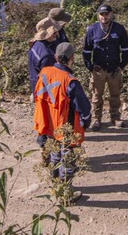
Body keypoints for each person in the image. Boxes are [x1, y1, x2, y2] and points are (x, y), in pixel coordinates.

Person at [34, 43, 92, 194]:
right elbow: (83, 106)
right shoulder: (70, 81)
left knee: (54, 155)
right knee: (68, 159)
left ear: (56, 57)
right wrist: (86, 121)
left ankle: (55, 186)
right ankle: (65, 193)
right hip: (66, 125)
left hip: (49, 124)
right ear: (71, 58)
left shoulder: (44, 72)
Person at [82, 3, 128, 130]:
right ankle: (96, 119)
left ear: (112, 14)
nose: (104, 16)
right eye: (102, 14)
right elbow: (86, 50)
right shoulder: (92, 29)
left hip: (114, 69)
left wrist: (122, 66)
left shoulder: (119, 29)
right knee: (96, 96)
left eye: (106, 14)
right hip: (98, 69)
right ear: (98, 15)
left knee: (115, 95)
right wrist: (90, 66)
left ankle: (115, 117)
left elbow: (126, 49)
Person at [28, 21, 60, 95]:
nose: (56, 34)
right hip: (44, 91)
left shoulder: (35, 45)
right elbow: (49, 78)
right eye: (54, 33)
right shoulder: (47, 55)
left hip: (35, 83)